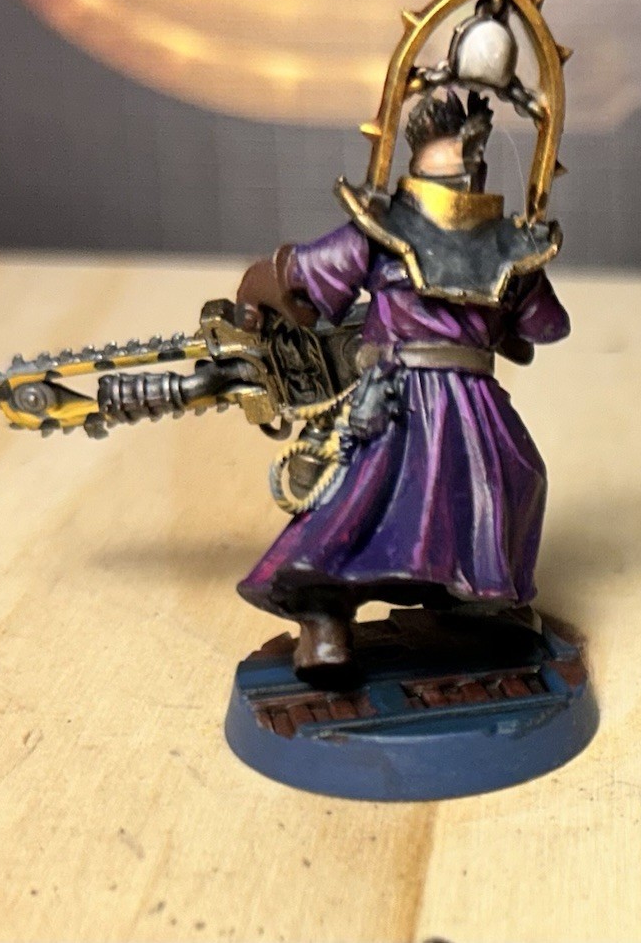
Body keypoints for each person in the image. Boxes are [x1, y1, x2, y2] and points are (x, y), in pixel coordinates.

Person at [232, 87, 569, 685]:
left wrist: (256, 291)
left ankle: (466, 603)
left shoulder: (482, 241)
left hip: (444, 400)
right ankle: (328, 620)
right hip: (401, 398)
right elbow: (546, 328)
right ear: (472, 155)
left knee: (503, 480)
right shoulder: (393, 232)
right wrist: (255, 302)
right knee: (369, 497)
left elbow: (293, 274)